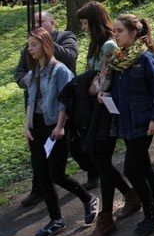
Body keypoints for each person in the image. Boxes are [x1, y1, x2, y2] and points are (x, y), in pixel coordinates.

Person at [14, 11, 98, 207]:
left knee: (74, 148)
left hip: (65, 107)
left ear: (52, 22)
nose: (36, 25)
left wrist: (48, 44)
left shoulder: (65, 38)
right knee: (44, 169)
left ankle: (93, 174)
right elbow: (20, 72)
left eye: (40, 21)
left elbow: (71, 57)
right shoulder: (32, 57)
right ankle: (43, 196)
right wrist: (25, 81)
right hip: (39, 115)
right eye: (34, 22)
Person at [75, 2, 140, 236]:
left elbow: (102, 83)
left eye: (84, 23)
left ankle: (106, 218)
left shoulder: (109, 46)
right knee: (100, 159)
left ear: (94, 21)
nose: (83, 28)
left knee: (102, 159)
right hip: (97, 111)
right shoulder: (96, 46)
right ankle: (130, 195)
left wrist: (89, 87)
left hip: (108, 112)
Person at [107, 14, 154, 235]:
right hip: (126, 122)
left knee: (132, 169)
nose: (115, 35)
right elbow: (118, 92)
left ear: (133, 33)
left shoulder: (145, 59)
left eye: (120, 31)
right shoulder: (119, 59)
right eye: (114, 31)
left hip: (143, 123)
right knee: (143, 166)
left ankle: (149, 213)